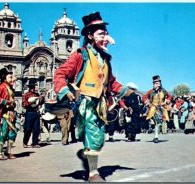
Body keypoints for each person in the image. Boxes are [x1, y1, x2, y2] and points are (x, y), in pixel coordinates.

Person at [53, 11, 129, 182]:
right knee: (94, 136)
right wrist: (64, 90)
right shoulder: (81, 55)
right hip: (85, 104)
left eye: (106, 33)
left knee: (95, 137)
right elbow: (60, 74)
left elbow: (111, 83)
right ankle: (93, 173)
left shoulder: (105, 59)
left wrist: (125, 90)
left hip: (100, 105)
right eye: (101, 34)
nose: (106, 37)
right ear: (90, 35)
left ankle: (88, 160)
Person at [0, 68, 18, 160]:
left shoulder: (10, 88)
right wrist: (6, 102)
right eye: (10, 77)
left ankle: (8, 152)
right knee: (4, 133)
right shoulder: (1, 87)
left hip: (11, 114)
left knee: (13, 132)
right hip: (4, 114)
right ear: (4, 78)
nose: (13, 79)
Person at [142, 75, 172, 143]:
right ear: (153, 84)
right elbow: (144, 97)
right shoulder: (151, 91)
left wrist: (167, 101)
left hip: (162, 109)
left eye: (158, 83)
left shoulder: (164, 91)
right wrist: (147, 102)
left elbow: (170, 96)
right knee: (157, 122)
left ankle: (154, 133)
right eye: (155, 83)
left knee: (159, 123)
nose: (157, 85)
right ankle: (156, 137)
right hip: (153, 108)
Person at [22, 80, 43, 148]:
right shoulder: (26, 95)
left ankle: (34, 143)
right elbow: (24, 104)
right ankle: (25, 142)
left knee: (36, 129)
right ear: (29, 88)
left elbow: (40, 103)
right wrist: (31, 102)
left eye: (33, 87)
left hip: (36, 112)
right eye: (31, 87)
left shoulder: (37, 95)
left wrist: (41, 99)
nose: (33, 88)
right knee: (28, 129)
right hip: (29, 112)